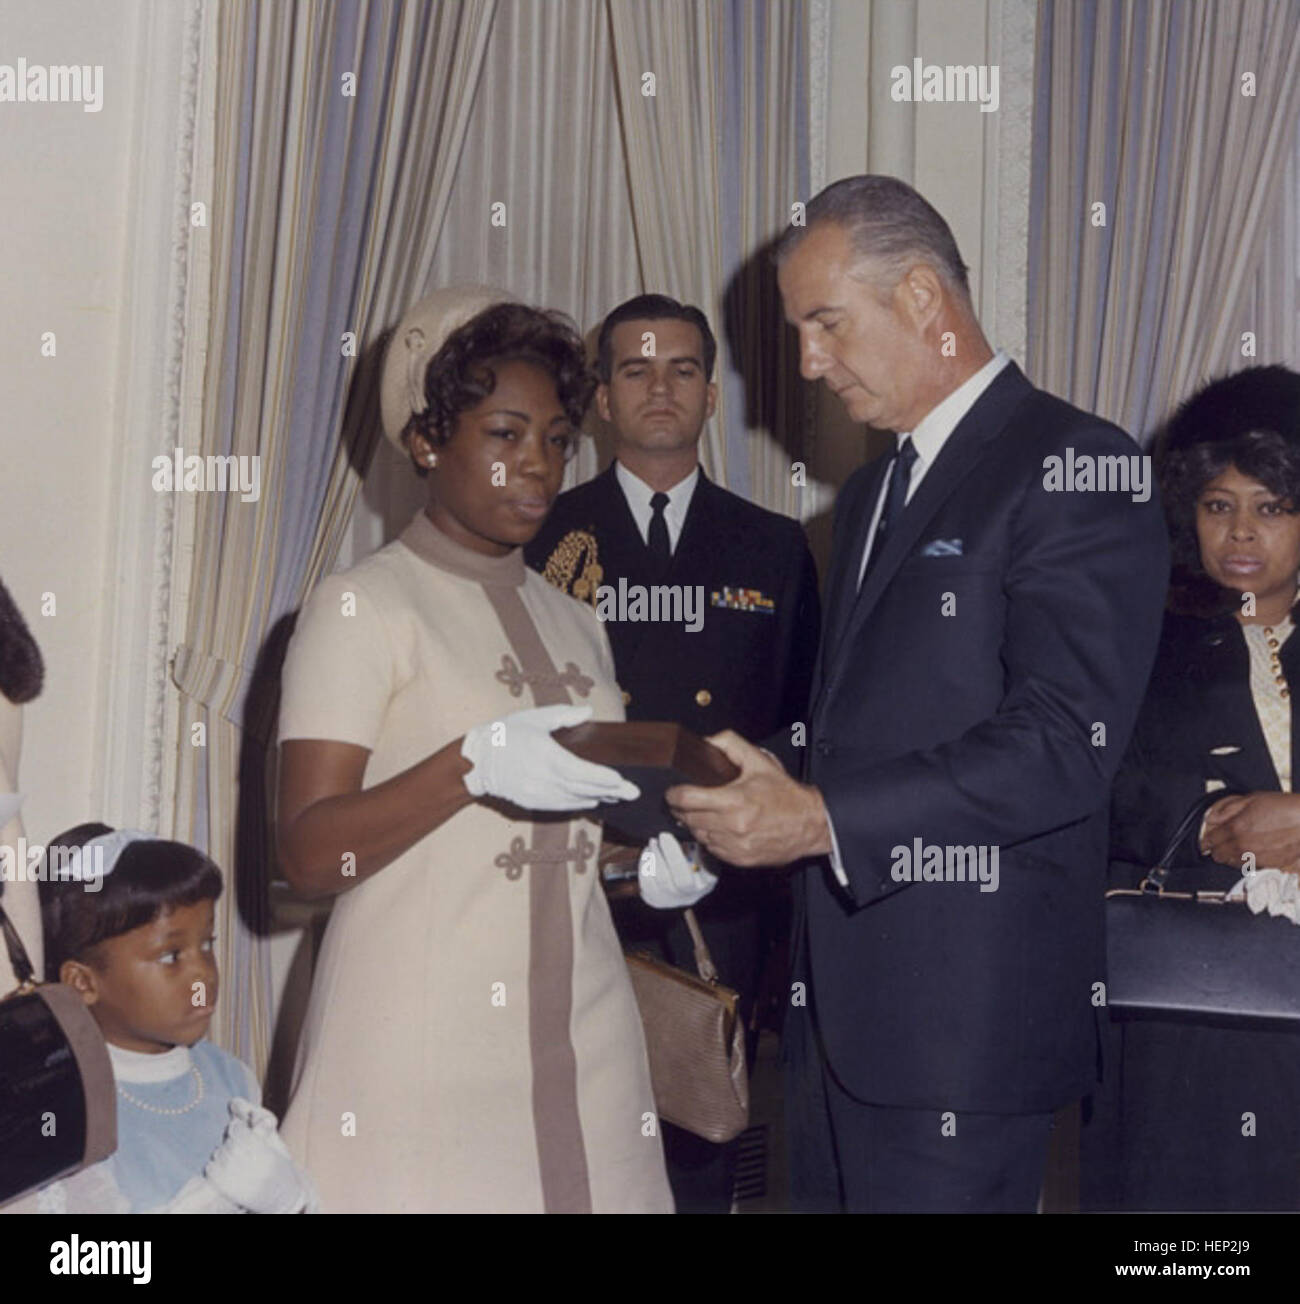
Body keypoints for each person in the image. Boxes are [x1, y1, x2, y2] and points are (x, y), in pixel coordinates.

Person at [667, 175, 1170, 1213]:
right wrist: (738, 782)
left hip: (961, 1040)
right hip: (832, 1027)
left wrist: (820, 817)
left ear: (922, 297)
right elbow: (872, 729)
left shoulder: (1078, 464)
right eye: (799, 332)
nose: (809, 363)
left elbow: (1062, 743)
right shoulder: (868, 495)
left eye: (826, 323)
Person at [276, 289, 681, 1213]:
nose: (537, 464)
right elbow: (308, 853)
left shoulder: (579, 622)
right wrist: (468, 764)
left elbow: (556, 840)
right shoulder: (362, 608)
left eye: (556, 439)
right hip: (421, 1047)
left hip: (591, 1040)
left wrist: (638, 872)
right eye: (504, 434)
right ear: (427, 441)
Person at [525, 293, 820, 1212]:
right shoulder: (543, 533)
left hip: (716, 890)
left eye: (683, 369)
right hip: (573, 875)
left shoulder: (773, 546)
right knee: (564, 1136)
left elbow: (805, 721)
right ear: (602, 399)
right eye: (637, 369)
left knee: (697, 1144)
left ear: (710, 396)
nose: (661, 388)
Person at [1083, 365, 1300, 1212]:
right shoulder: (1135, 633)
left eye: (1272, 508)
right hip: (1193, 1000)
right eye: (1218, 505)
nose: (1241, 531)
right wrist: (1205, 818)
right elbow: (1079, 782)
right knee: (1186, 1235)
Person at [12, 825, 314, 1213]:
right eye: (171, 956)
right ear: (83, 982)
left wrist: (290, 1200)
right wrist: (215, 1199)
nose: (203, 974)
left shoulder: (230, 1077)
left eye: (206, 944)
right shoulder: (66, 1110)